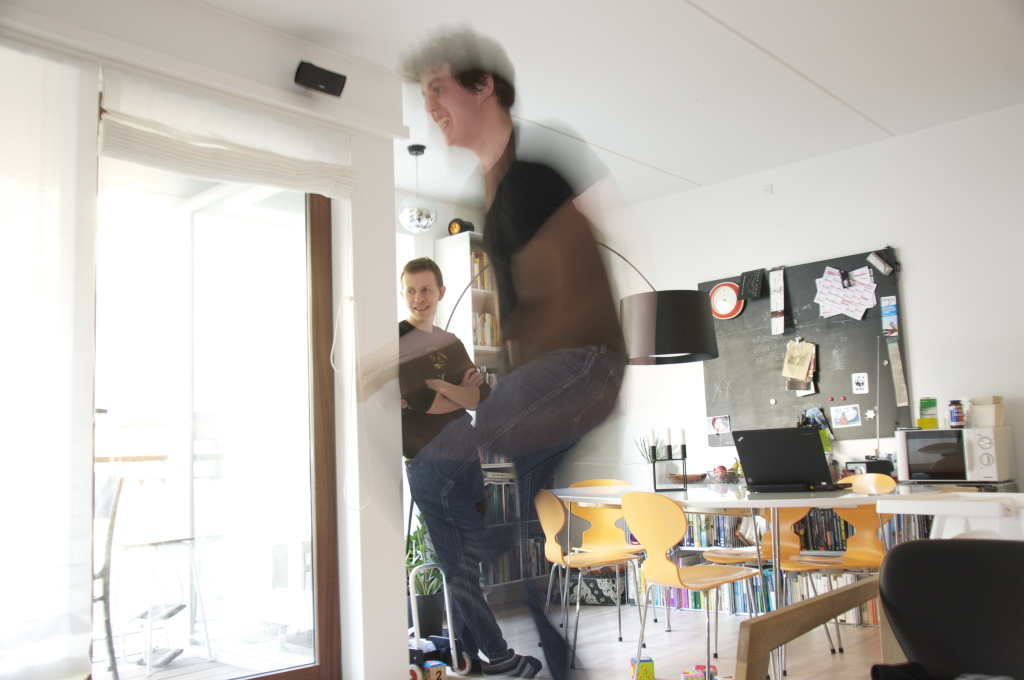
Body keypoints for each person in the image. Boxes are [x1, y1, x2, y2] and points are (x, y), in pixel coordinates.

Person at [401, 28, 627, 679]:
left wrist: (506, 401)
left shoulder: (531, 175)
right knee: (521, 534)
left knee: (434, 471)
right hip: (563, 380)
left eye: (439, 89)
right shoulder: (492, 193)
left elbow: (570, 280)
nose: (430, 107)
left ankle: (490, 643)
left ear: (484, 88)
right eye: (424, 95)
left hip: (582, 368)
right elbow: (524, 318)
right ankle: (554, 664)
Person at [398, 256, 489, 461]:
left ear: (441, 292)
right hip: (428, 459)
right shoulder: (397, 338)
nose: (418, 298)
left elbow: (483, 396)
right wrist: (462, 394)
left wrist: (441, 387)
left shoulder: (450, 341)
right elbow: (422, 400)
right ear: (402, 294)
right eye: (411, 291)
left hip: (467, 452)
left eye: (426, 290)